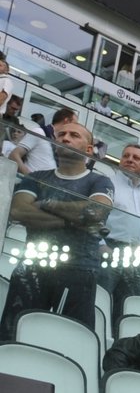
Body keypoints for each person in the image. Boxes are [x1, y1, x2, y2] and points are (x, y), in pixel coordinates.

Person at [2, 119, 113, 332]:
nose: (65, 138)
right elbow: (18, 211)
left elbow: (96, 212)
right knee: (14, 332)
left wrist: (46, 203)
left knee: (69, 338)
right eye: (62, 135)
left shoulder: (100, 182)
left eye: (74, 135)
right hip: (32, 267)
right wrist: (71, 220)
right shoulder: (36, 177)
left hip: (79, 271)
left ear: (89, 149)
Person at [100, 143, 140, 320]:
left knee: (127, 313)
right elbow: (95, 218)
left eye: (136, 158)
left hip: (138, 259)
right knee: (98, 304)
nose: (129, 159)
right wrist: (102, 246)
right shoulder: (106, 184)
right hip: (110, 251)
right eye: (126, 156)